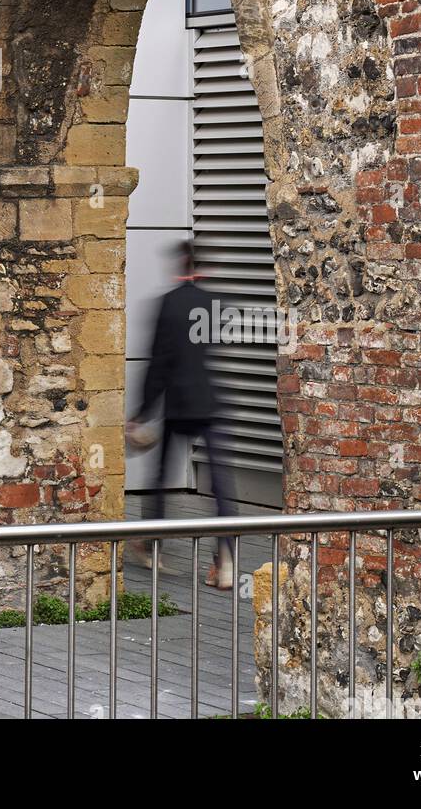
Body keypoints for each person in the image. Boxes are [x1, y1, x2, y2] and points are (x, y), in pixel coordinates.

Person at [126, 238, 237, 589]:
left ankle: (153, 545)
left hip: (176, 403)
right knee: (221, 482)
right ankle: (226, 558)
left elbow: (158, 364)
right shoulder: (213, 303)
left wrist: (142, 412)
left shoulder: (167, 305)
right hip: (208, 402)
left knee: (159, 477)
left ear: (179, 265)